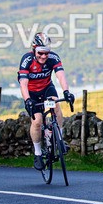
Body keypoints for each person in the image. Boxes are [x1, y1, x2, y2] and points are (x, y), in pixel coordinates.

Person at [18, 32, 74, 171]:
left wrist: (66, 92)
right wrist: (27, 100)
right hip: (32, 93)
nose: (44, 56)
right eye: (40, 53)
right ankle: (37, 153)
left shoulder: (53, 58)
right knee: (37, 121)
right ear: (34, 50)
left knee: (56, 105)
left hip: (47, 89)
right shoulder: (27, 60)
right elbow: (23, 84)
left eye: (46, 53)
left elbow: (61, 76)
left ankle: (59, 139)